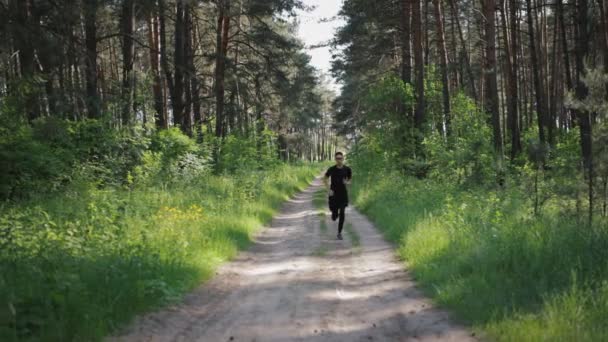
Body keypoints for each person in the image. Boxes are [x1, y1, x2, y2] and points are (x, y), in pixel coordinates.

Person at [323, 152, 352, 240]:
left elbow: (350, 180)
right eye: (337, 158)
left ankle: (339, 233)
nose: (339, 160)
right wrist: (329, 189)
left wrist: (347, 182)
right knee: (334, 215)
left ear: (343, 159)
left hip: (343, 195)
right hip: (333, 195)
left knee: (342, 213)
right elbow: (325, 178)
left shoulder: (347, 169)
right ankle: (334, 213)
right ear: (335, 159)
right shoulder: (331, 169)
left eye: (340, 158)